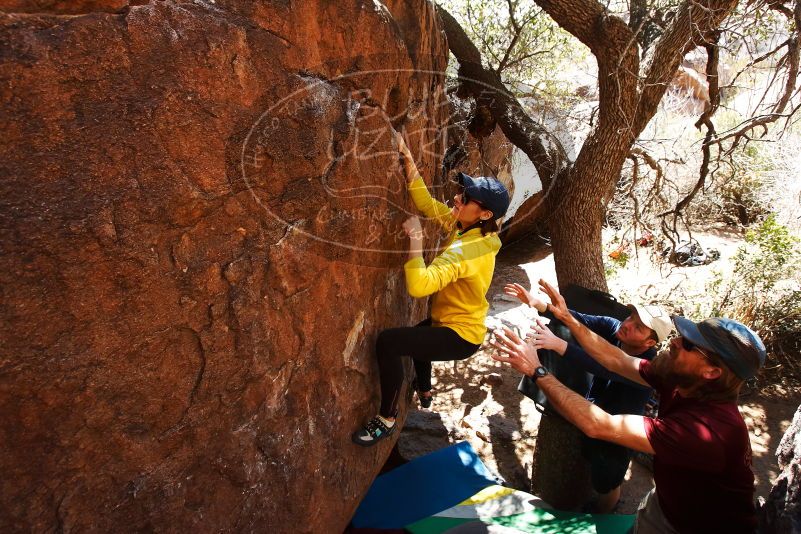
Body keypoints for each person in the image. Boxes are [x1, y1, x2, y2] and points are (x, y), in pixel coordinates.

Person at [492, 279, 765, 533]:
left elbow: (597, 425)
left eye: (690, 345)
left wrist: (537, 371)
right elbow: (616, 360)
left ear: (712, 372)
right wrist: (565, 317)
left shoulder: (706, 432)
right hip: (668, 503)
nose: (676, 341)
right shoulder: (682, 379)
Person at [351, 131, 511, 447]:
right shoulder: (468, 230)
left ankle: (386, 419)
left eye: (466, 198)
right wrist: (407, 159)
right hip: (453, 324)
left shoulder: (467, 251)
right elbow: (425, 202)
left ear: (485, 214)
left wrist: (416, 240)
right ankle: (425, 389)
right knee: (421, 335)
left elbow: (419, 286)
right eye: (461, 192)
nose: (457, 198)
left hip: (461, 336)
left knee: (390, 342)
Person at [503, 282, 673, 512]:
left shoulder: (647, 368)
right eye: (631, 317)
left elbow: (605, 367)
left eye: (639, 327)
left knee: (607, 478)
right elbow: (578, 319)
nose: (628, 324)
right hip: (595, 410)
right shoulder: (615, 328)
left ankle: (605, 511)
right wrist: (537, 303)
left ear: (650, 343)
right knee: (591, 455)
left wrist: (558, 344)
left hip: (619, 429)